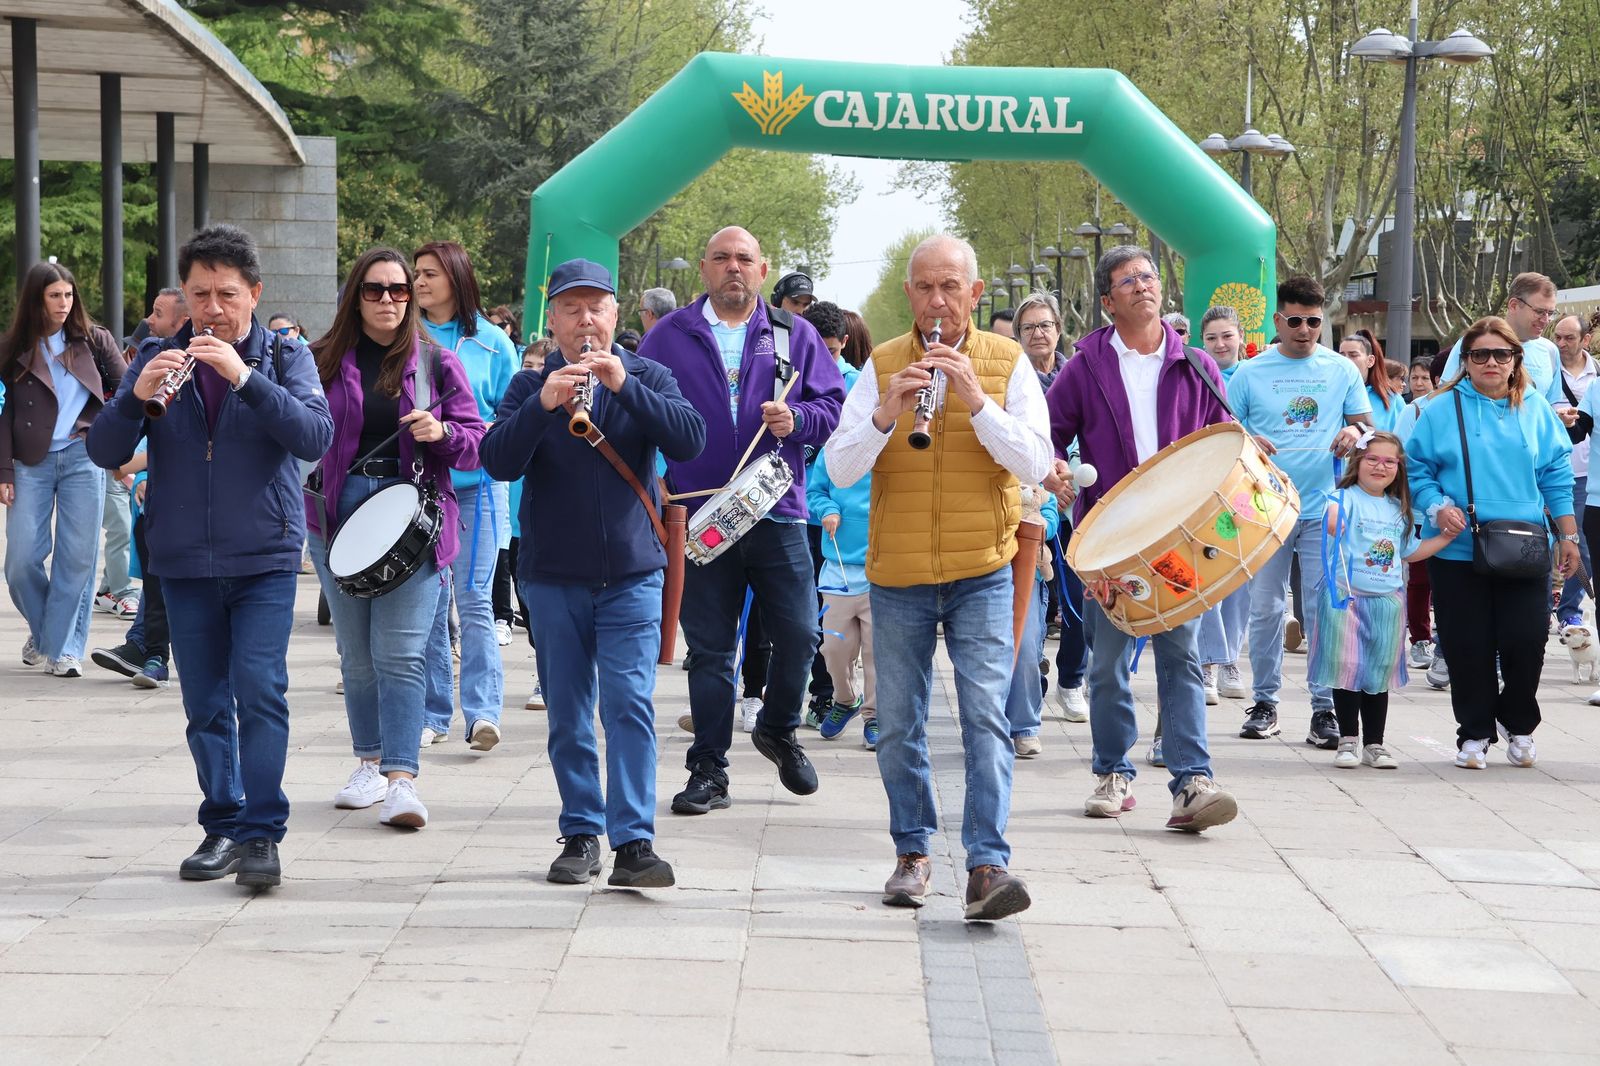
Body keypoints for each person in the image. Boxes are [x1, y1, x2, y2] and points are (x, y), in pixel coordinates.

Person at [88, 223, 334, 889]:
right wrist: (135, 399)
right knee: (203, 703)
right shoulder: (156, 357)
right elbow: (104, 451)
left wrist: (245, 377)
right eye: (201, 294)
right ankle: (221, 823)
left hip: (264, 556)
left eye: (228, 294)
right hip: (183, 560)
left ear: (254, 293)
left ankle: (261, 834)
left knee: (261, 692)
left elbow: (315, 432)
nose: (213, 309)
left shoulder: (286, 356)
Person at [826, 233, 1050, 920]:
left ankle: (987, 865)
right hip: (897, 575)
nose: (937, 300)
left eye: (950, 286)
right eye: (924, 287)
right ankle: (912, 853)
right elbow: (838, 469)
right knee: (897, 722)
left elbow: (1037, 462)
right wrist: (888, 413)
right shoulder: (883, 365)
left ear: (975, 295)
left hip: (982, 569)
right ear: (908, 295)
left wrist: (976, 402)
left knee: (986, 715)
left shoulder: (1008, 363)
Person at [483, 259, 706, 886]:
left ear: (616, 314)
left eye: (597, 308)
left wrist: (625, 386)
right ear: (551, 321)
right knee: (568, 710)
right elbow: (496, 460)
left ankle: (634, 841)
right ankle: (581, 831)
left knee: (629, 704)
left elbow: (690, 439)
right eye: (572, 309)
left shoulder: (648, 373)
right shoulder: (531, 388)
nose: (586, 321)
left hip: (633, 573)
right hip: (552, 576)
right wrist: (544, 405)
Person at [639, 226, 845, 814]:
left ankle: (778, 729)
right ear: (703, 268)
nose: (734, 268)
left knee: (803, 632)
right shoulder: (669, 336)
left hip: (775, 511)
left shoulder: (794, 335)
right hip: (701, 516)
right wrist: (656, 482)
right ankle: (708, 769)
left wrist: (797, 420)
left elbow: (833, 408)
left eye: (745, 259)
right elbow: (636, 408)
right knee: (709, 650)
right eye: (722, 258)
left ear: (763, 269)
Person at [1047, 245, 1238, 833]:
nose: (1142, 286)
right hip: (1110, 538)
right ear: (1108, 301)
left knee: (1181, 657)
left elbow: (1225, 436)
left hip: (1179, 536)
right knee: (1107, 665)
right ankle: (1112, 772)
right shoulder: (1085, 366)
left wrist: (1248, 448)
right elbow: (1048, 434)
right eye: (1127, 280)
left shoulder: (1196, 363)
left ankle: (1191, 783)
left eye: (1149, 276)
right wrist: (1054, 469)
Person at [306, 248, 486, 830]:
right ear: (355, 295)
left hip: (415, 517)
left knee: (402, 653)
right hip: (336, 518)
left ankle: (402, 780)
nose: (389, 300)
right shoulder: (320, 363)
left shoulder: (434, 363)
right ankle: (368, 761)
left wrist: (441, 431)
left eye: (400, 290)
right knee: (356, 658)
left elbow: (476, 441)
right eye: (375, 289)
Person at [1407, 316, 1578, 768]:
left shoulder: (1536, 408)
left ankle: (1518, 724)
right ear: (1465, 362)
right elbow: (1416, 468)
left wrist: (1569, 533)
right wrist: (1435, 506)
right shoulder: (1441, 408)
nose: (1491, 362)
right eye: (1479, 354)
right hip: (1458, 545)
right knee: (1468, 645)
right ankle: (1475, 733)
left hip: (1524, 546)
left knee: (1526, 643)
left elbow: (1556, 473)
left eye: (1501, 354)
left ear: (1515, 360)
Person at [1227, 275, 1370, 748]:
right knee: (1266, 609)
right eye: (1295, 321)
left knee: (1321, 607)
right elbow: (1226, 434)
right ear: (1277, 321)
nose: (1305, 330)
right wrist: (1247, 438)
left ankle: (1324, 708)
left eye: (1313, 321)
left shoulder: (1341, 370)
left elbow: (1368, 428)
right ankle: (1265, 702)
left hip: (1323, 508)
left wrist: (1356, 435)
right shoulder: (1248, 374)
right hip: (1265, 508)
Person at [413, 241, 518, 750]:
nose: (418, 282)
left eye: (430, 273)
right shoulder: (402, 334)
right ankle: (434, 714)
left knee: (475, 601)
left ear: (456, 277)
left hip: (479, 490)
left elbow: (515, 415)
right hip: (417, 492)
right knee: (429, 606)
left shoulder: (495, 341)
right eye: (416, 273)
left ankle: (482, 714)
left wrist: (469, 431)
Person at [1, 262, 126, 677]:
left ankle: (66, 650)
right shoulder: (14, 345)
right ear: (37, 298)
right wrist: (3, 470)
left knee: (77, 559)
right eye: (54, 295)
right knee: (19, 562)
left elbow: (125, 392)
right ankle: (49, 636)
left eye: (68, 295)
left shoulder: (94, 340)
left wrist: (111, 444)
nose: (63, 303)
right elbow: (3, 414)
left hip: (81, 456)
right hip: (28, 461)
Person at [1312, 431, 1453, 768]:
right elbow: (1331, 521)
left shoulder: (1399, 510)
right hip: (1346, 599)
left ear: (1399, 468)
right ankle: (1348, 739)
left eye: (1389, 461)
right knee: (1347, 670)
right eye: (1372, 459)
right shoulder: (1341, 497)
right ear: (1357, 462)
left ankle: (1375, 743)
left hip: (1387, 600)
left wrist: (1446, 538)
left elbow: (1410, 552)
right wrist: (1335, 521)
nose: (1380, 466)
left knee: (1378, 675)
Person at [1014, 292, 1087, 724]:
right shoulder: (1013, 381)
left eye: (1045, 325)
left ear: (1059, 329)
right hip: (1029, 510)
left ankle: (1071, 681)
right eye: (1029, 327)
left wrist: (1071, 483)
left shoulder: (1077, 376)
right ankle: (1032, 683)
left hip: (1077, 508)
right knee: (1034, 604)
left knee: (1080, 603)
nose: (1038, 333)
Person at [805, 302, 872, 747]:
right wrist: (824, 508)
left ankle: (875, 716)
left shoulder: (886, 448)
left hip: (880, 568)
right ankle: (841, 697)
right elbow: (815, 491)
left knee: (880, 652)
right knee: (833, 647)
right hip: (835, 568)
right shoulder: (832, 451)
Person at [1193, 306, 1252, 714]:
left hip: (1246, 492)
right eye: (1211, 337)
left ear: (1240, 337)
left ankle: (1232, 659)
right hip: (1204, 490)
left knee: (1240, 580)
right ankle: (1209, 664)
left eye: (1226, 336)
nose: (1219, 344)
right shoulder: (1192, 375)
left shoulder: (1253, 378)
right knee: (1208, 575)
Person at [90, 442, 172, 688]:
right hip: (163, 513)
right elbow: (121, 464)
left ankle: (143, 646)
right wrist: (143, 477)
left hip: (218, 515)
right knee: (156, 585)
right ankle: (152, 654)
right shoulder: (164, 408)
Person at [1437, 272, 1566, 408]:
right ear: (1514, 305)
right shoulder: (1472, 344)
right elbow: (1444, 397)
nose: (1546, 320)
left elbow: (1552, 406)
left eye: (1550, 313)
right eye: (1539, 312)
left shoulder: (1550, 351)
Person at [1396, 355, 1447, 681]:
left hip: (1463, 516)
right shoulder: (1415, 410)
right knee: (1419, 580)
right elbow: (1403, 459)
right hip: (1419, 511)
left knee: (1452, 585)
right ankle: (1420, 640)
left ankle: (1447, 648)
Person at [1005, 484, 1058, 757]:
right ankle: (985, 727)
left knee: (1025, 650)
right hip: (981, 572)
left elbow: (1051, 518)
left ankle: (1024, 726)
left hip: (1029, 575)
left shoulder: (1037, 471)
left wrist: (1037, 521)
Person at [1554, 314, 1596, 627]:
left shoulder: (1596, 377)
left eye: (1569, 337)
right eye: (1558, 337)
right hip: (1544, 471)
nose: (1561, 344)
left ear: (1586, 340)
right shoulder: (1544, 369)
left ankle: (1569, 610)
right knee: (1538, 544)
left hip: (1583, 476)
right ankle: (1539, 609)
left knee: (1582, 547)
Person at [1340, 332, 1399, 432]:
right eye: (1341, 355)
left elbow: (1401, 440)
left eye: (1353, 355)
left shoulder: (1391, 398)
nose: (1346, 360)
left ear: (1370, 360)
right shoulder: (1328, 392)